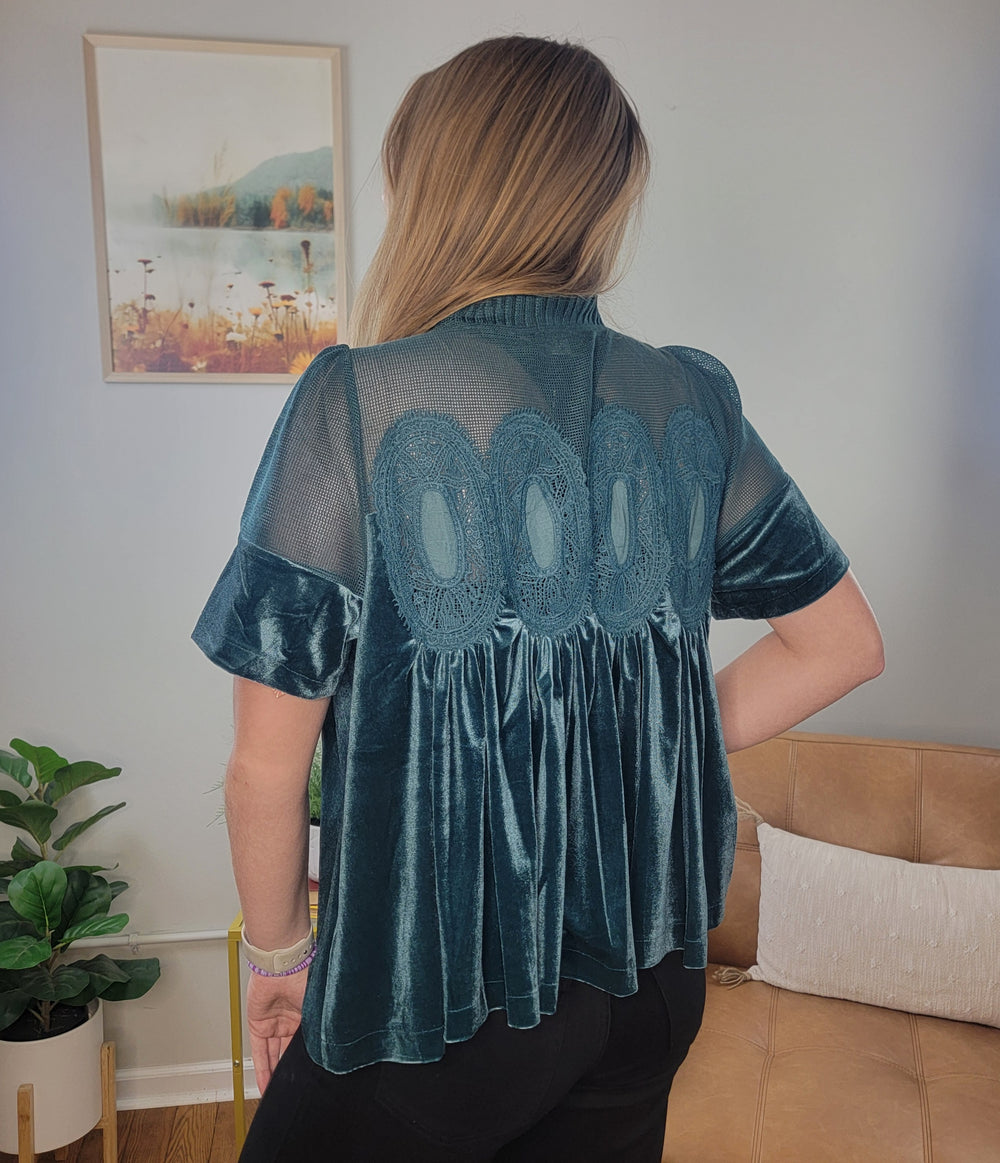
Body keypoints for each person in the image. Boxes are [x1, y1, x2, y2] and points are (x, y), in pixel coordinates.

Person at [193, 34, 884, 1163]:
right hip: (647, 983)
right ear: (598, 200)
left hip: (440, 999)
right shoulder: (692, 398)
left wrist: (277, 959)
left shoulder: (357, 402)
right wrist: (644, 744)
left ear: (439, 187)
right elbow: (840, 643)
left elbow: (265, 763)